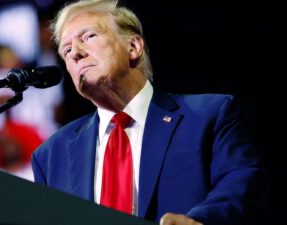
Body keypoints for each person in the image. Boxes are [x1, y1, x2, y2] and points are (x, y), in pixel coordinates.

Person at [31, 1, 269, 225]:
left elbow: (241, 184)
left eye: (89, 36)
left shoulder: (210, 115)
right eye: (67, 49)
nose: (75, 53)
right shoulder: (52, 155)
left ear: (133, 47)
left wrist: (199, 220)